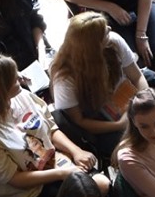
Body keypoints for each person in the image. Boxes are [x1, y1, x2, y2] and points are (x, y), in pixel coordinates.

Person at [0, 53, 97, 197]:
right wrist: (61, 174)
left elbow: (50, 129)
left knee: (101, 187)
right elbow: (15, 179)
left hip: (54, 165)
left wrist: (76, 151)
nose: (21, 78)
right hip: (30, 192)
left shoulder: (22, 96)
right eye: (14, 78)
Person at [49, 11, 148, 166]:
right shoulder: (65, 77)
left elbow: (137, 77)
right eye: (104, 31)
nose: (109, 29)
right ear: (93, 45)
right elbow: (79, 121)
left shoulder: (113, 42)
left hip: (128, 101)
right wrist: (119, 125)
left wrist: (143, 101)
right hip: (99, 121)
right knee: (134, 145)